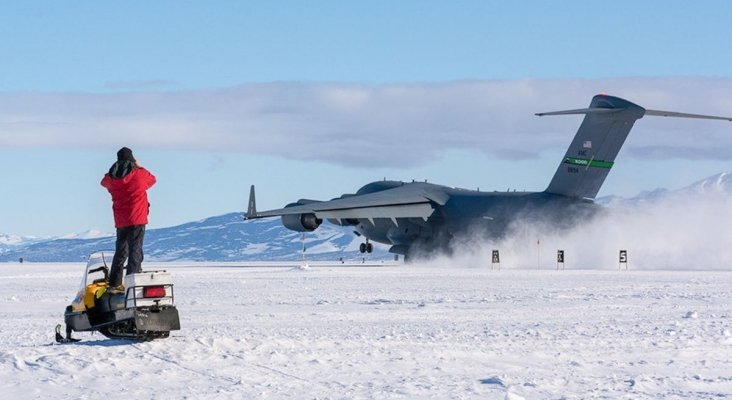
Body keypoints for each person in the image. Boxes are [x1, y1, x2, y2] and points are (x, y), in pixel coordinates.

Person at [101, 147, 156, 292]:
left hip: (121, 220)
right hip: (137, 217)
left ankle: (114, 284)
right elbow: (152, 179)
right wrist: (138, 165)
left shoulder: (112, 179)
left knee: (121, 251)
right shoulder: (139, 174)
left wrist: (114, 170)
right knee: (135, 250)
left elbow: (104, 181)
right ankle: (133, 283)